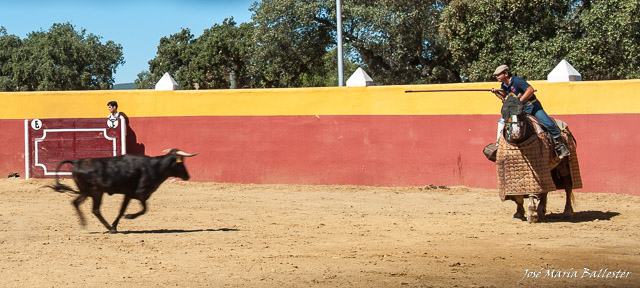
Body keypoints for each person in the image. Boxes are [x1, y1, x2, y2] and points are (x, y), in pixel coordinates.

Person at [490, 65, 570, 159]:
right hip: (519, 110)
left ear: (506, 74)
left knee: (547, 122)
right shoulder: (504, 85)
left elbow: (530, 90)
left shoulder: (518, 81)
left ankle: (559, 144)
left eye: (498, 75)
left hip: (531, 106)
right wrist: (496, 92)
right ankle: (499, 144)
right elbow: (504, 95)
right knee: (502, 121)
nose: (497, 77)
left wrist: (519, 101)